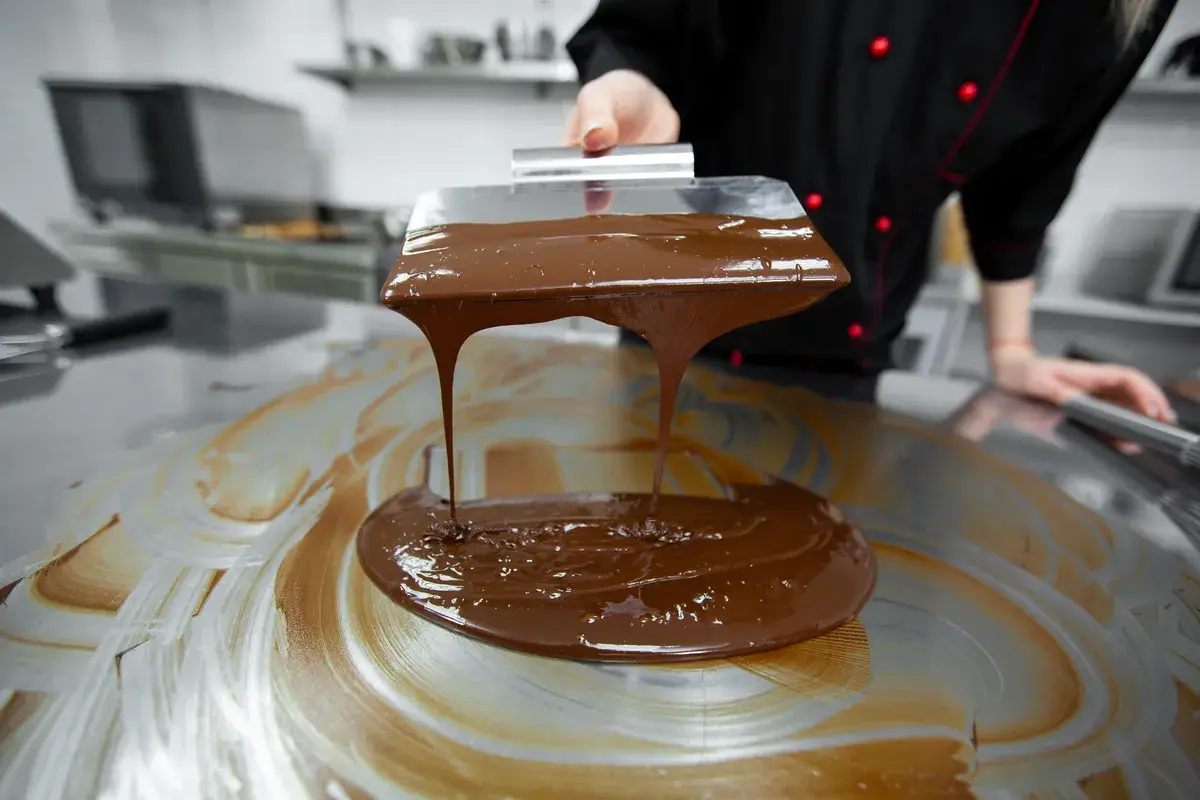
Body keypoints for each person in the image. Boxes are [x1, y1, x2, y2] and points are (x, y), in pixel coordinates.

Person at [563, 0, 1177, 422]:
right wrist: (633, 82)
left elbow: (1026, 183)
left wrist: (1011, 351)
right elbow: (643, 31)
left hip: (852, 357)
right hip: (680, 323)